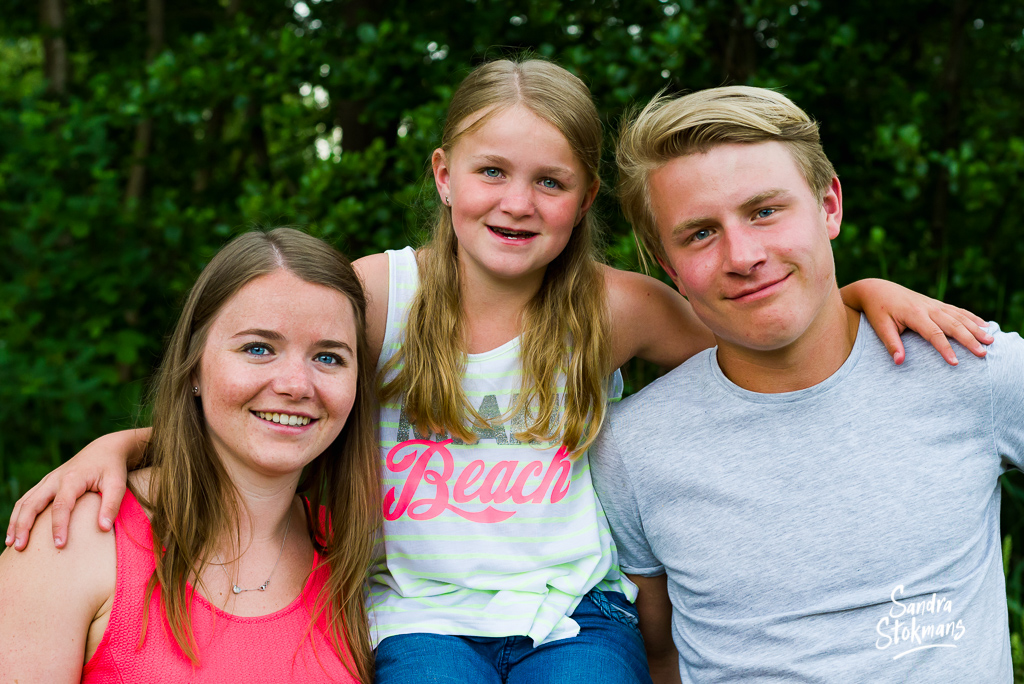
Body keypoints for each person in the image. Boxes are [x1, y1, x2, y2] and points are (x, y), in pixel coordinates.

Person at [4, 60, 992, 683]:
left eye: (549, 181)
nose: (516, 203)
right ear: (443, 176)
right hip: (420, 611)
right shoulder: (379, 293)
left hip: (576, 613)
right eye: (491, 173)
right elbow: (270, 386)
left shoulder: (613, 307)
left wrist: (859, 293)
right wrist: (125, 443)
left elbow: (766, 335)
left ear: (583, 197)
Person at [590, 84, 1022, 682]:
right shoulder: (629, 449)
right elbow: (657, 655)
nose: (742, 255)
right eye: (699, 234)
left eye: (765, 211)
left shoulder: (967, 365)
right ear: (669, 269)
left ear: (830, 207)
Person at [0, 228, 381, 682]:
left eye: (330, 358)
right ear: (194, 367)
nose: (296, 385)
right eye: (258, 348)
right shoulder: (78, 535)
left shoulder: (359, 558)